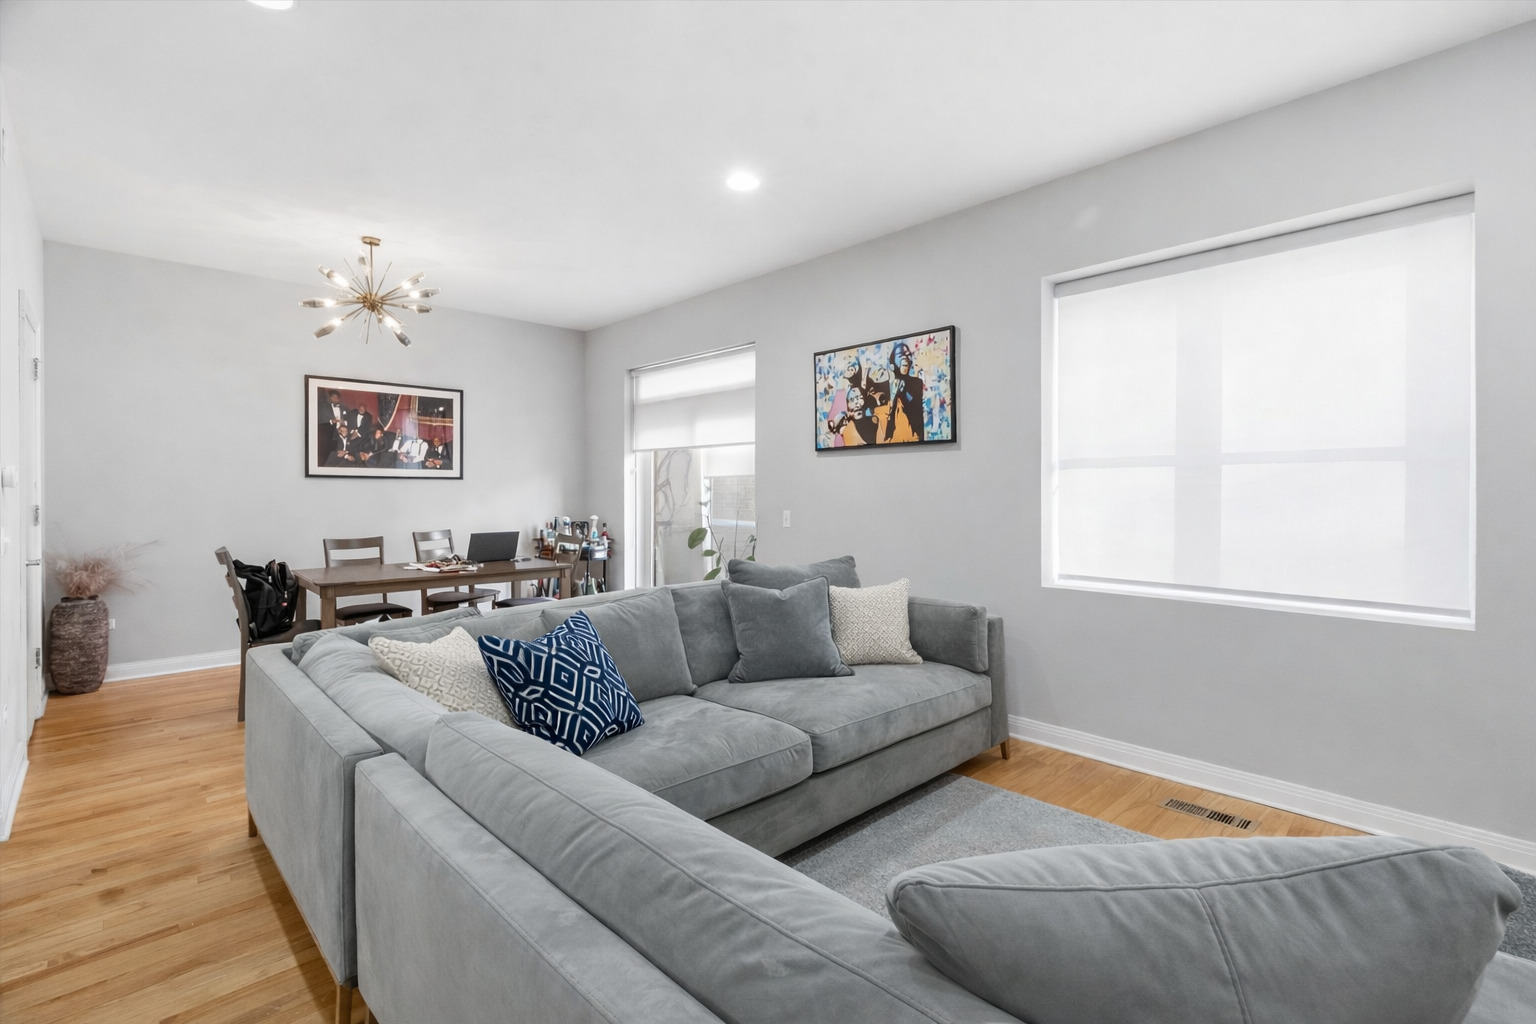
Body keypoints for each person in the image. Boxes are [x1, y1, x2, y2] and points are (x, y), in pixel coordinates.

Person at [883, 341, 924, 443]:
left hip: (912, 437)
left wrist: (903, 391)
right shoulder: (885, 386)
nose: (905, 357)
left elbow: (914, 405)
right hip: (889, 440)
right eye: (901, 354)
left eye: (908, 355)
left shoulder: (916, 383)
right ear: (892, 364)